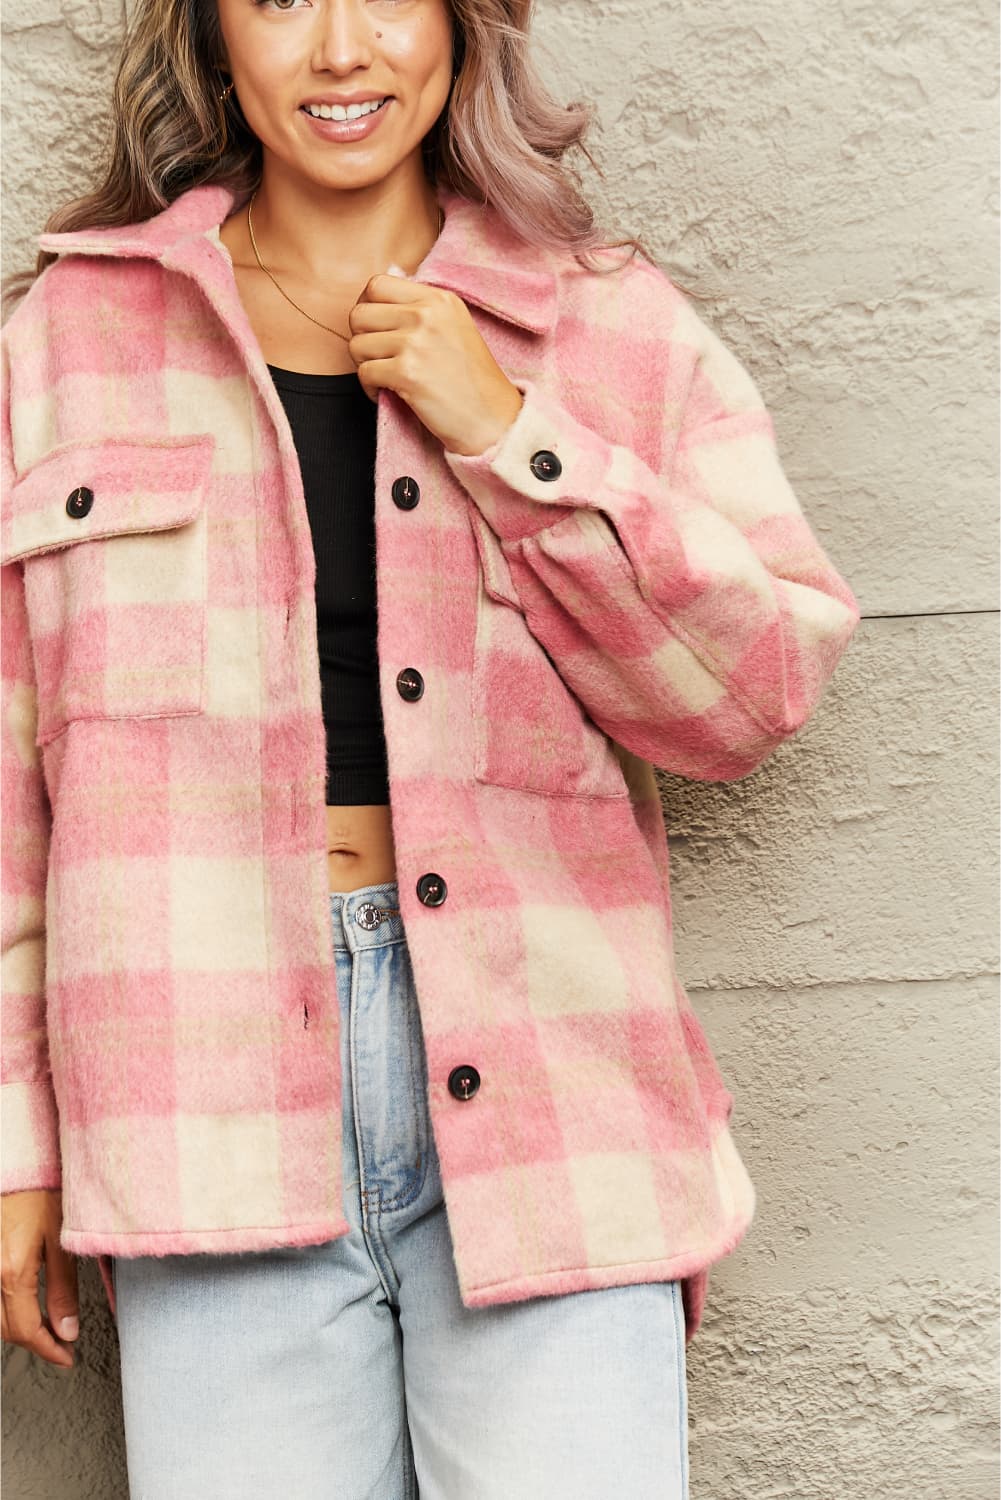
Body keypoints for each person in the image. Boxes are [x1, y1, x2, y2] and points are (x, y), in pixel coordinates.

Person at [0, 0, 861, 1494]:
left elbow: (750, 696)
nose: (342, 48)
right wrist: (15, 1138)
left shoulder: (604, 324)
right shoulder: (73, 339)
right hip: (194, 1093)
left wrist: (512, 433)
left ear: (467, 25)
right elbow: (11, 784)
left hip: (555, 1093)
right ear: (210, 34)